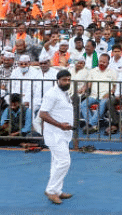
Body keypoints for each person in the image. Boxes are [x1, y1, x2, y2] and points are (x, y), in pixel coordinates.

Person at [38, 69, 75, 205]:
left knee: (57, 163)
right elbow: (43, 114)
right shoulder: (52, 94)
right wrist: (60, 125)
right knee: (65, 162)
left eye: (69, 80)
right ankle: (51, 190)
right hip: (54, 133)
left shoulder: (65, 93)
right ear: (57, 80)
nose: (67, 82)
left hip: (63, 133)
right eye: (64, 80)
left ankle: (57, 190)